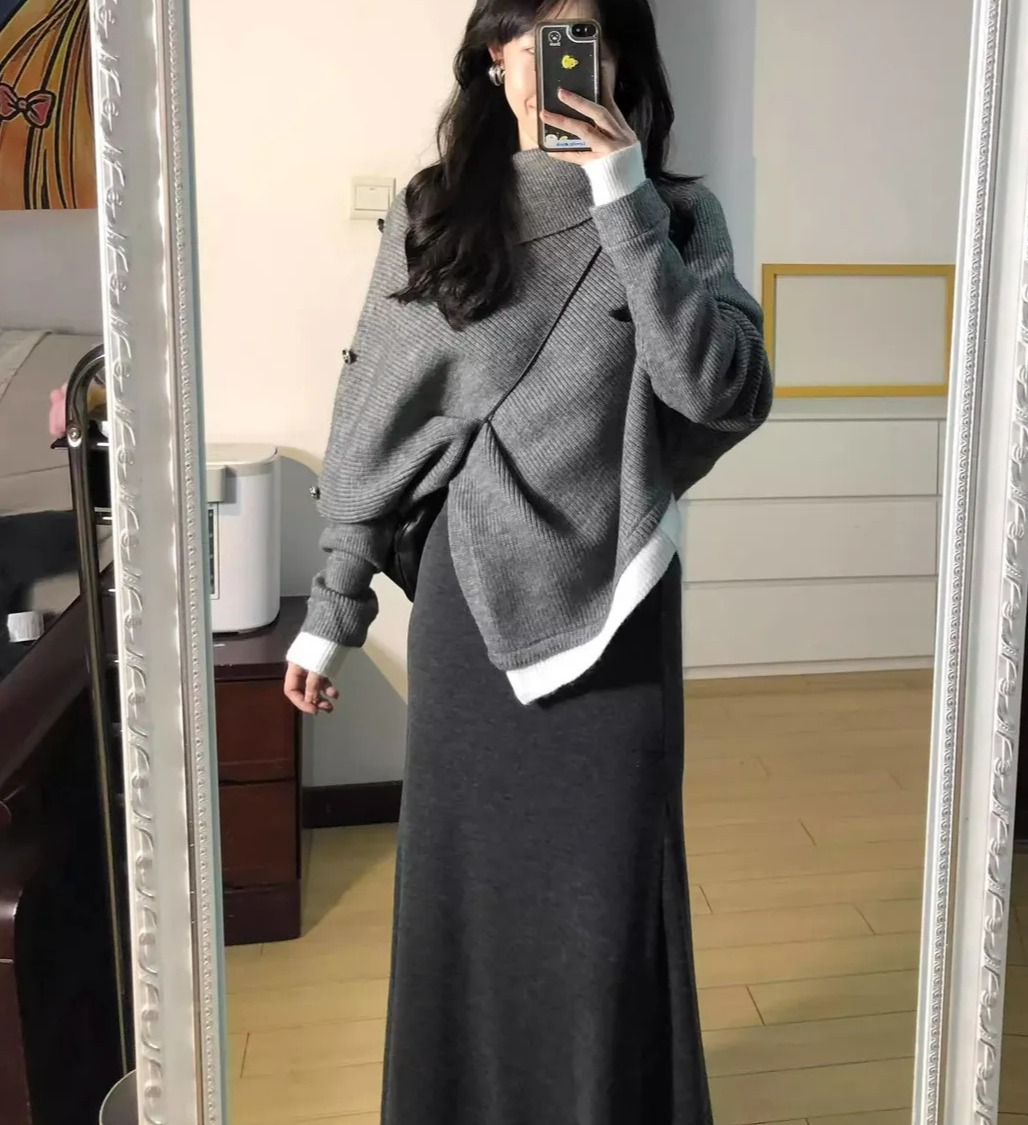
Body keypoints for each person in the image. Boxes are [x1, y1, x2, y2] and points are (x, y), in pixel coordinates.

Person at [283, 0, 771, 1121]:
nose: (551, 60)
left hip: (618, 607)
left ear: (618, 58)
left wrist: (623, 199)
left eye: (580, 35)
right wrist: (332, 605)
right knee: (467, 897)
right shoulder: (438, 212)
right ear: (492, 58)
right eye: (529, 36)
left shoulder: (676, 215)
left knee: (609, 902)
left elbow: (721, 390)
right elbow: (377, 416)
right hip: (469, 612)